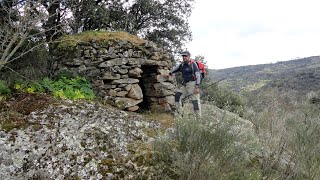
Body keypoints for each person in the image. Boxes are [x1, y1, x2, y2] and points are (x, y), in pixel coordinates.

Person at [167, 51, 201, 118]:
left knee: (195, 101)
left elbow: (198, 75)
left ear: (189, 56)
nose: (184, 57)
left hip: (192, 85)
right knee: (177, 96)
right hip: (185, 85)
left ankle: (198, 118)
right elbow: (175, 69)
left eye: (185, 56)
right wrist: (169, 73)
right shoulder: (182, 65)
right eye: (183, 56)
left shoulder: (193, 64)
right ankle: (180, 114)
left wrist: (197, 86)